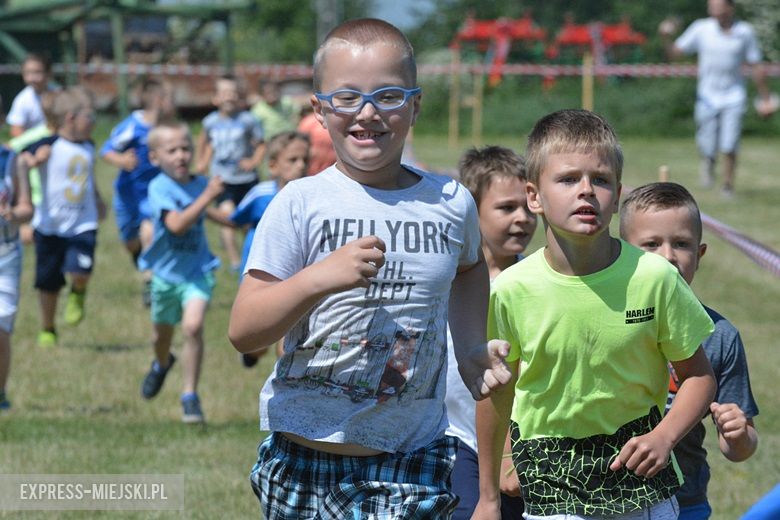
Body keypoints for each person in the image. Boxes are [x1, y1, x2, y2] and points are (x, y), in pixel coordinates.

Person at [228, 18, 511, 519]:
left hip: (414, 457)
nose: (367, 111)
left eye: (388, 95)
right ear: (318, 109)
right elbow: (245, 332)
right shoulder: (300, 203)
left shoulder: (450, 202)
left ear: (415, 105)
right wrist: (321, 277)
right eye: (347, 97)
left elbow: (469, 269)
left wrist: (469, 347)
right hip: (305, 458)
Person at [474, 109, 718, 520]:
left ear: (618, 193)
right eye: (568, 179)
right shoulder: (509, 291)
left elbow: (698, 376)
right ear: (534, 196)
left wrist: (665, 437)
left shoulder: (655, 277)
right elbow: (497, 391)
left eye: (600, 180)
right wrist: (490, 490)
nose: (586, 191)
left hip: (642, 487)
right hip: (552, 489)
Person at [619, 181, 759, 520]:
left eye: (681, 244)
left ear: (700, 254)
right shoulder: (607, 322)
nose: (668, 256)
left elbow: (739, 449)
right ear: (622, 252)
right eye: (651, 244)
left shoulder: (719, 335)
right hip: (610, 495)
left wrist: (738, 433)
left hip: (685, 499)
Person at [445, 145, 537, 520]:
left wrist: (508, 452)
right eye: (506, 208)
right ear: (471, 210)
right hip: (455, 438)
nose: (522, 218)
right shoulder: (447, 279)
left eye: (529, 207)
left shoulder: (533, 283)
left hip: (519, 444)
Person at [138, 120, 232, 424]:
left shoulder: (198, 183)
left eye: (185, 148)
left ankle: (189, 395)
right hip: (165, 275)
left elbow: (209, 214)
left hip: (197, 271)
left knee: (193, 328)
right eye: (172, 150)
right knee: (159, 336)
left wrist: (239, 220)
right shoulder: (159, 187)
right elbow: (177, 224)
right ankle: (162, 363)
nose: (180, 155)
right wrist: (207, 196)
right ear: (155, 158)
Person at [659, 0, 775, 197]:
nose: (712, 8)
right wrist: (665, 37)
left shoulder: (745, 31)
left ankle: (727, 186)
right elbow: (675, 54)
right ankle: (709, 160)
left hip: (734, 96)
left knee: (730, 144)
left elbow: (756, 65)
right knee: (707, 144)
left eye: (717, 5)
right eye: (710, 5)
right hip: (707, 97)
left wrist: (765, 98)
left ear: (730, 7)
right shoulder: (701, 28)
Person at [19, 87, 105, 349]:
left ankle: (78, 289)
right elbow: (20, 159)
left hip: (83, 222)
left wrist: (98, 199)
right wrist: (33, 160)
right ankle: (48, 328)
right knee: (48, 284)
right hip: (50, 225)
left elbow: (87, 178)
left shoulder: (89, 145)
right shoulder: (47, 144)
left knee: (80, 270)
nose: (94, 123)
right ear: (70, 118)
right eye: (89, 117)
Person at [230, 130, 310, 368]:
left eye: (305, 160)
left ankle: (289, 382)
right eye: (293, 160)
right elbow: (236, 219)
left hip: (297, 276)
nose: (301, 166)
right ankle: (252, 355)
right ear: (273, 166)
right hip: (261, 275)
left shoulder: (312, 195)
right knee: (258, 344)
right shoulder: (261, 194)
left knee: (288, 341)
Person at [100, 78, 175, 306]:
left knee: (149, 233)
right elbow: (106, 150)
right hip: (127, 194)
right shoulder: (133, 125)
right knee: (130, 242)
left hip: (152, 195)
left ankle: (150, 283)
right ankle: (138, 256)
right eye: (171, 99)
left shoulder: (168, 130)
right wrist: (121, 159)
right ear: (159, 101)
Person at [196, 75, 265, 272]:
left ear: (239, 97)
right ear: (215, 98)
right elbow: (204, 141)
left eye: (233, 93)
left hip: (246, 179)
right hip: (222, 178)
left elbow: (260, 144)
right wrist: (201, 162)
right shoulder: (210, 122)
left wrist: (253, 161)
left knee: (246, 224)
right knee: (228, 218)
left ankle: (251, 256)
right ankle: (235, 262)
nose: (229, 97)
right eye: (224, 93)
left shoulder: (248, 120)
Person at [0, 144, 35, 410]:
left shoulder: (13, 160)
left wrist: (11, 214)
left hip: (6, 254)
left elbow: (27, 209)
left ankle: (0, 392)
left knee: (1, 329)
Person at [5, 54, 57, 138]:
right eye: (28, 72)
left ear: (49, 73)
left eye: (37, 72)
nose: (32, 78)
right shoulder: (22, 100)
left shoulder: (59, 95)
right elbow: (16, 130)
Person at [297, 104, 336, 175]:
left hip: (334, 172)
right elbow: (299, 145)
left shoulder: (341, 122)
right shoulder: (308, 122)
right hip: (311, 172)